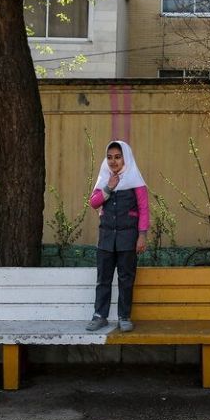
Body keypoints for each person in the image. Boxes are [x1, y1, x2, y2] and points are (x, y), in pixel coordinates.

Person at [86, 140, 149, 332]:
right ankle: (100, 316)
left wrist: (142, 235)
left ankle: (124, 317)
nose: (113, 161)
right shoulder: (104, 178)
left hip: (128, 238)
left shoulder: (135, 180)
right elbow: (94, 203)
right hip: (106, 239)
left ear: (125, 158)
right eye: (110, 157)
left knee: (126, 279)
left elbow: (144, 210)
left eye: (118, 157)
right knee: (103, 279)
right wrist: (109, 187)